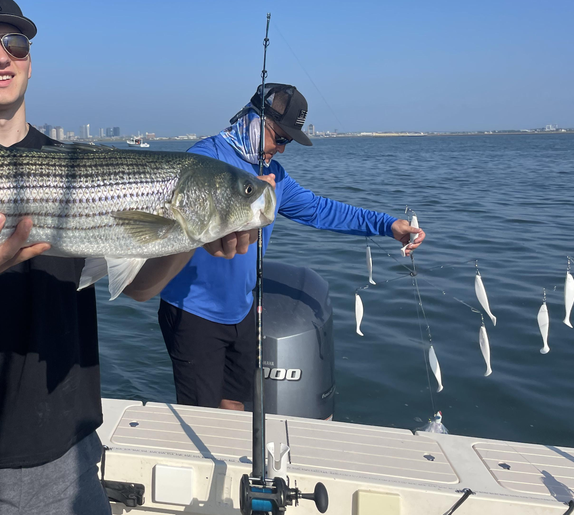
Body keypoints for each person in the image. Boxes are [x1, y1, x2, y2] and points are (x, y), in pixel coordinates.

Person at [0, 0, 253, 515]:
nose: (1, 56)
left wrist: (192, 232)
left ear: (30, 59)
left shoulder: (79, 165)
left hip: (70, 447)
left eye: (16, 43)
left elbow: (140, 287)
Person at [125, 83, 426, 411]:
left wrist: (387, 225)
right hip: (193, 312)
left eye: (287, 142)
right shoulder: (204, 160)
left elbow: (320, 210)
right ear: (255, 120)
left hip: (242, 310)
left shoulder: (273, 177)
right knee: (202, 417)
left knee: (235, 405)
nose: (281, 149)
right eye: (279, 138)